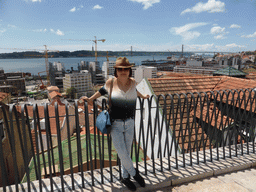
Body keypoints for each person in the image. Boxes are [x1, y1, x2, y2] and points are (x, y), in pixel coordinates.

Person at [80, 57, 149, 191]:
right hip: (115, 124)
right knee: (122, 153)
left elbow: (136, 91)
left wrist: (143, 96)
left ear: (129, 70)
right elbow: (100, 92)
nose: (123, 71)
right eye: (120, 69)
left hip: (130, 122)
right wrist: (89, 99)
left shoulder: (133, 82)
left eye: (126, 69)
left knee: (126, 153)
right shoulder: (110, 83)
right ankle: (135, 174)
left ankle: (125, 177)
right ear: (116, 71)